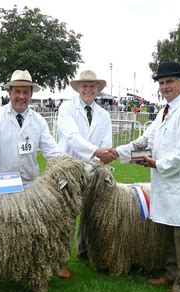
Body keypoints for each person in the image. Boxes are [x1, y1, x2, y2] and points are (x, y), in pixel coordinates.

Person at [114, 61, 180, 292]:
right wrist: (118, 152)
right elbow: (147, 139)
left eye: (169, 82)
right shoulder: (164, 111)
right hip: (168, 187)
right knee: (170, 232)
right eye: (162, 83)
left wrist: (156, 163)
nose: (165, 86)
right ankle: (171, 273)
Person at [56, 69, 117, 277]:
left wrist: (102, 156)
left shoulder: (104, 114)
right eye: (85, 86)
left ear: (97, 89)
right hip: (69, 169)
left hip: (93, 170)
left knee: (92, 213)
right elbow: (72, 137)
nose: (88, 89)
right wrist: (97, 152)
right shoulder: (66, 108)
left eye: (92, 86)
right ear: (78, 88)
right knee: (66, 216)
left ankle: (86, 251)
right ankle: (61, 260)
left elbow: (107, 143)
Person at [0, 69, 62, 194]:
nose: (21, 96)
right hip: (0, 185)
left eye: (26, 92)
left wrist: (70, 166)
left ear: (31, 95)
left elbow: (52, 151)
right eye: (17, 92)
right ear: (9, 92)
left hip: (30, 186)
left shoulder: (39, 121)